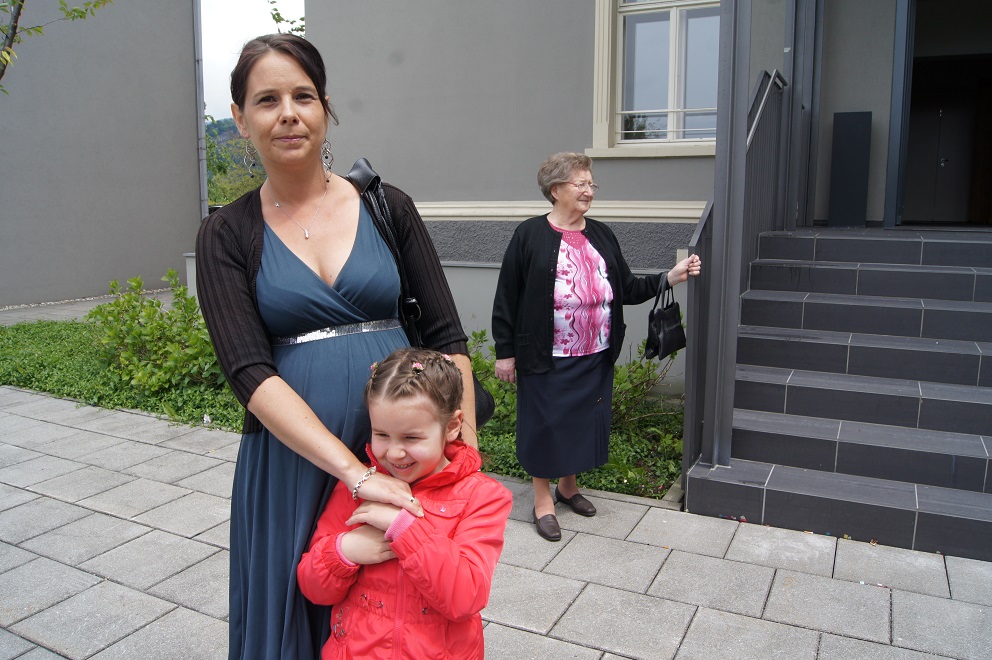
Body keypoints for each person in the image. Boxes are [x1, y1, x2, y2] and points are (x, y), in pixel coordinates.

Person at [195, 34, 479, 659]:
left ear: (326, 108)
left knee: (404, 613)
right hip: (293, 462)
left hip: (404, 448)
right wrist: (354, 474)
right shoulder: (226, 233)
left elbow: (446, 338)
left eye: (304, 96)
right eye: (266, 100)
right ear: (239, 118)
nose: (288, 114)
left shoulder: (387, 207)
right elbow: (247, 370)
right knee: (297, 598)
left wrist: (465, 460)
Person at [491, 152, 702, 542]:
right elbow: (507, 297)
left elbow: (628, 288)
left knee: (581, 423)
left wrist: (670, 277)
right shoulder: (529, 234)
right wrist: (505, 352)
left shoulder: (602, 234)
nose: (589, 191)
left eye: (591, 184)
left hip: (595, 353)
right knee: (545, 425)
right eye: (581, 184)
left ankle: (568, 487)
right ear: (556, 190)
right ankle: (542, 500)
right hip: (546, 355)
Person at [297, 347, 512, 659]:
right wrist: (344, 551)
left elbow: (465, 597)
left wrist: (404, 528)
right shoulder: (358, 487)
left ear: (452, 426)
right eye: (382, 435)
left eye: (411, 438)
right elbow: (313, 588)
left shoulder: (482, 497)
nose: (395, 453)